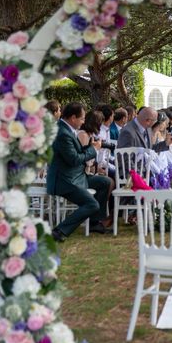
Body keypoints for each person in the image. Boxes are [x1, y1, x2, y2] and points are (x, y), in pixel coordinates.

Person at [47, 103, 112, 241]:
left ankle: (94, 223)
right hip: (64, 180)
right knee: (92, 204)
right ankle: (59, 231)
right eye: (82, 119)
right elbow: (74, 159)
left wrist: (91, 148)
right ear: (73, 117)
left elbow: (76, 154)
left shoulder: (67, 129)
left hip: (77, 176)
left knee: (105, 182)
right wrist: (93, 150)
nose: (83, 122)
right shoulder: (62, 132)